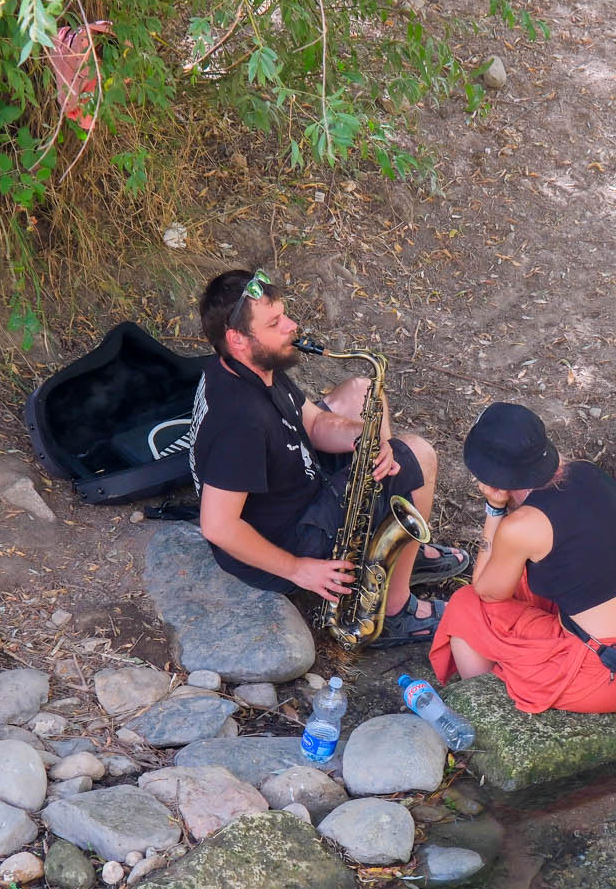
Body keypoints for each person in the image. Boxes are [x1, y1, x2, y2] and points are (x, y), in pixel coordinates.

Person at [187, 268, 469, 645]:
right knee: (417, 455)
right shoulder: (241, 422)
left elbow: (314, 422)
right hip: (288, 538)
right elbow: (218, 527)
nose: (291, 325)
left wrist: (368, 439)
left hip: (291, 481)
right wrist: (298, 569)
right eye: (275, 322)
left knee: (361, 391)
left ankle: (397, 553)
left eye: (284, 315)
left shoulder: (249, 364)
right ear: (237, 339)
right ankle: (392, 611)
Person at [430, 402, 616, 713]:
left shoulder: (522, 527)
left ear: (492, 480)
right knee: (522, 576)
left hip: (603, 674)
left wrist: (494, 509)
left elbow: (483, 589)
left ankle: (486, 708)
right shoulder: (588, 473)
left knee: (466, 606)